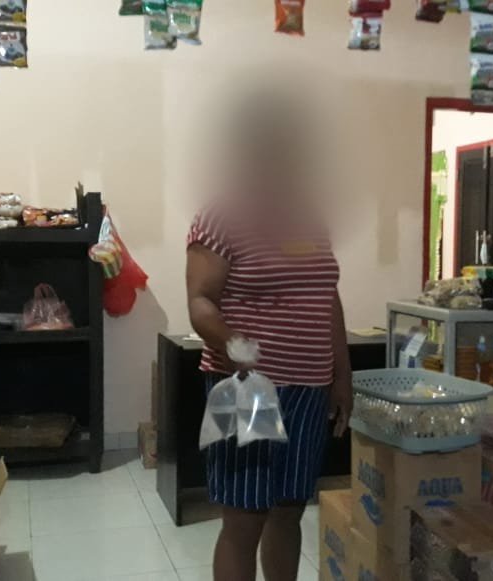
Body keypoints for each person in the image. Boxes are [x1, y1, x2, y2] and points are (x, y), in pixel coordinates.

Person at [185, 94, 352, 581]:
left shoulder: (309, 216)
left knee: (288, 509)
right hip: (247, 389)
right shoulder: (219, 215)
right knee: (244, 518)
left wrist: (342, 375)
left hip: (309, 389)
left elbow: (327, 296)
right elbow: (200, 301)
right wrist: (234, 344)